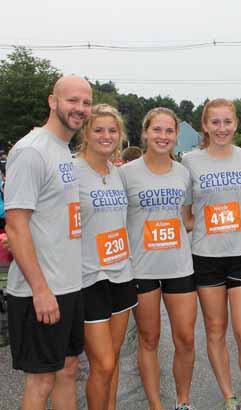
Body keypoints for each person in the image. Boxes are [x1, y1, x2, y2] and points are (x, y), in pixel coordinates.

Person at [4, 75, 92, 410]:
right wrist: (41, 289)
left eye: (85, 102)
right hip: (39, 291)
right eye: (72, 100)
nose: (80, 109)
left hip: (68, 286)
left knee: (68, 369)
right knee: (41, 380)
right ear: (52, 102)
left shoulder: (62, 150)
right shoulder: (31, 151)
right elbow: (16, 226)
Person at [181, 99, 241, 410]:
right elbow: (186, 214)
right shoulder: (190, 161)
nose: (221, 128)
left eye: (227, 122)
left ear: (236, 125)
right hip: (206, 256)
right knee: (215, 330)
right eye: (215, 122)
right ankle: (229, 396)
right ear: (204, 125)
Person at [119, 107, 197, 410]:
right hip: (142, 269)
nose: (163, 136)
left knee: (186, 339)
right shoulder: (126, 174)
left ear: (176, 136)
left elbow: (188, 219)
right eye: (157, 130)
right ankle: (156, 405)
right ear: (145, 133)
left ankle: (183, 402)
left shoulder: (184, 173)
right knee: (149, 339)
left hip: (178, 266)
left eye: (169, 131)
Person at [75, 104, 137, 410]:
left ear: (120, 135)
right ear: (86, 133)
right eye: (98, 129)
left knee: (112, 364)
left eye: (112, 130)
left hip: (121, 275)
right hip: (89, 277)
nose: (106, 135)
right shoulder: (71, 171)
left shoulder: (118, 174)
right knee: (103, 363)